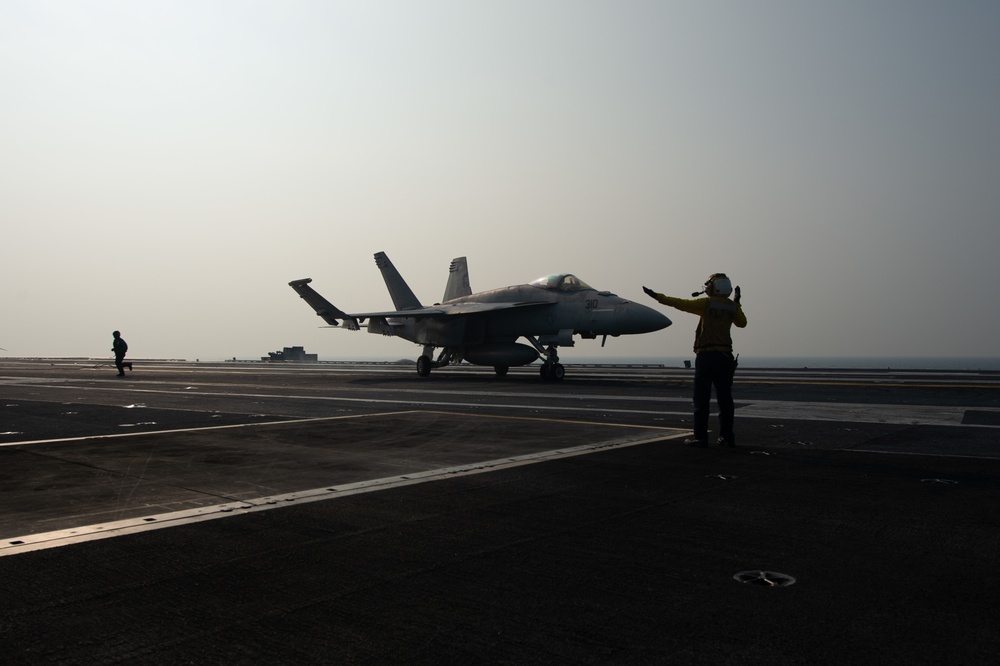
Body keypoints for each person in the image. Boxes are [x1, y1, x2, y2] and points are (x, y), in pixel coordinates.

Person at [643, 274, 746, 447]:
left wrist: (657, 296)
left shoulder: (706, 304)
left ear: (714, 287)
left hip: (706, 356)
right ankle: (727, 437)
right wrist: (737, 302)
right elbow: (742, 323)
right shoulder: (732, 307)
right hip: (725, 357)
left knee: (701, 399)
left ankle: (700, 438)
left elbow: (680, 303)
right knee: (725, 400)